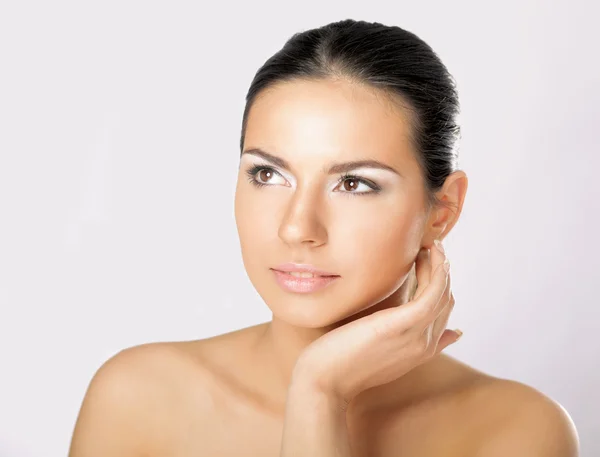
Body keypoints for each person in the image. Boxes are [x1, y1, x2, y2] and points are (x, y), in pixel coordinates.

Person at [68, 19, 579, 456]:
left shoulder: (518, 432)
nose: (296, 227)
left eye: (354, 183)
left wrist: (319, 393)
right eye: (268, 174)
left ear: (441, 210)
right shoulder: (138, 399)